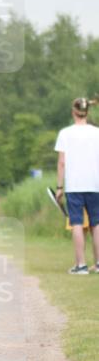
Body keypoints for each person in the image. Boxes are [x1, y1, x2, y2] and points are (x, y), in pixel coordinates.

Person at [54, 96, 99, 275]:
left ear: (74, 112)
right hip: (95, 184)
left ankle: (80, 265)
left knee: (77, 223)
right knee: (97, 223)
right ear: (87, 112)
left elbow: (62, 163)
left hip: (74, 185)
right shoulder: (97, 132)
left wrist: (59, 187)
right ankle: (98, 264)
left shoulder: (65, 133)